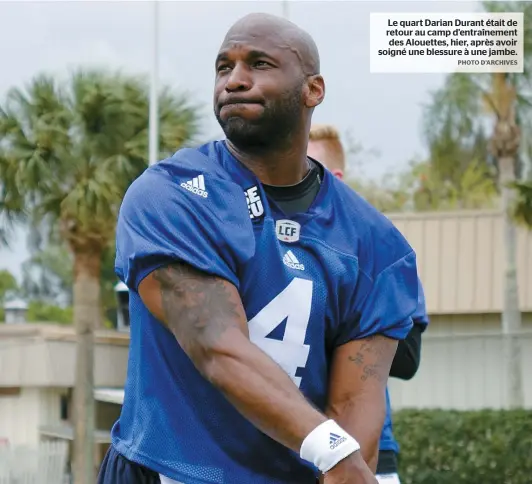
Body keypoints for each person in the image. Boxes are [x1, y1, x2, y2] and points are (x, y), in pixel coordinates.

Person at [98, 13, 420, 484]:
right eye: (223, 67)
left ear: (313, 89)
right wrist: (332, 451)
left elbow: (357, 401)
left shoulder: (375, 243)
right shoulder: (172, 193)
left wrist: (342, 465)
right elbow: (217, 346)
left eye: (259, 64)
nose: (235, 80)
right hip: (170, 469)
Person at [307, 125, 430, 484]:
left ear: (336, 177)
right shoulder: (268, 239)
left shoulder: (376, 247)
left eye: (307, 165)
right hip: (280, 447)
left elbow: (407, 358)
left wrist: (325, 319)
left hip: (363, 451)